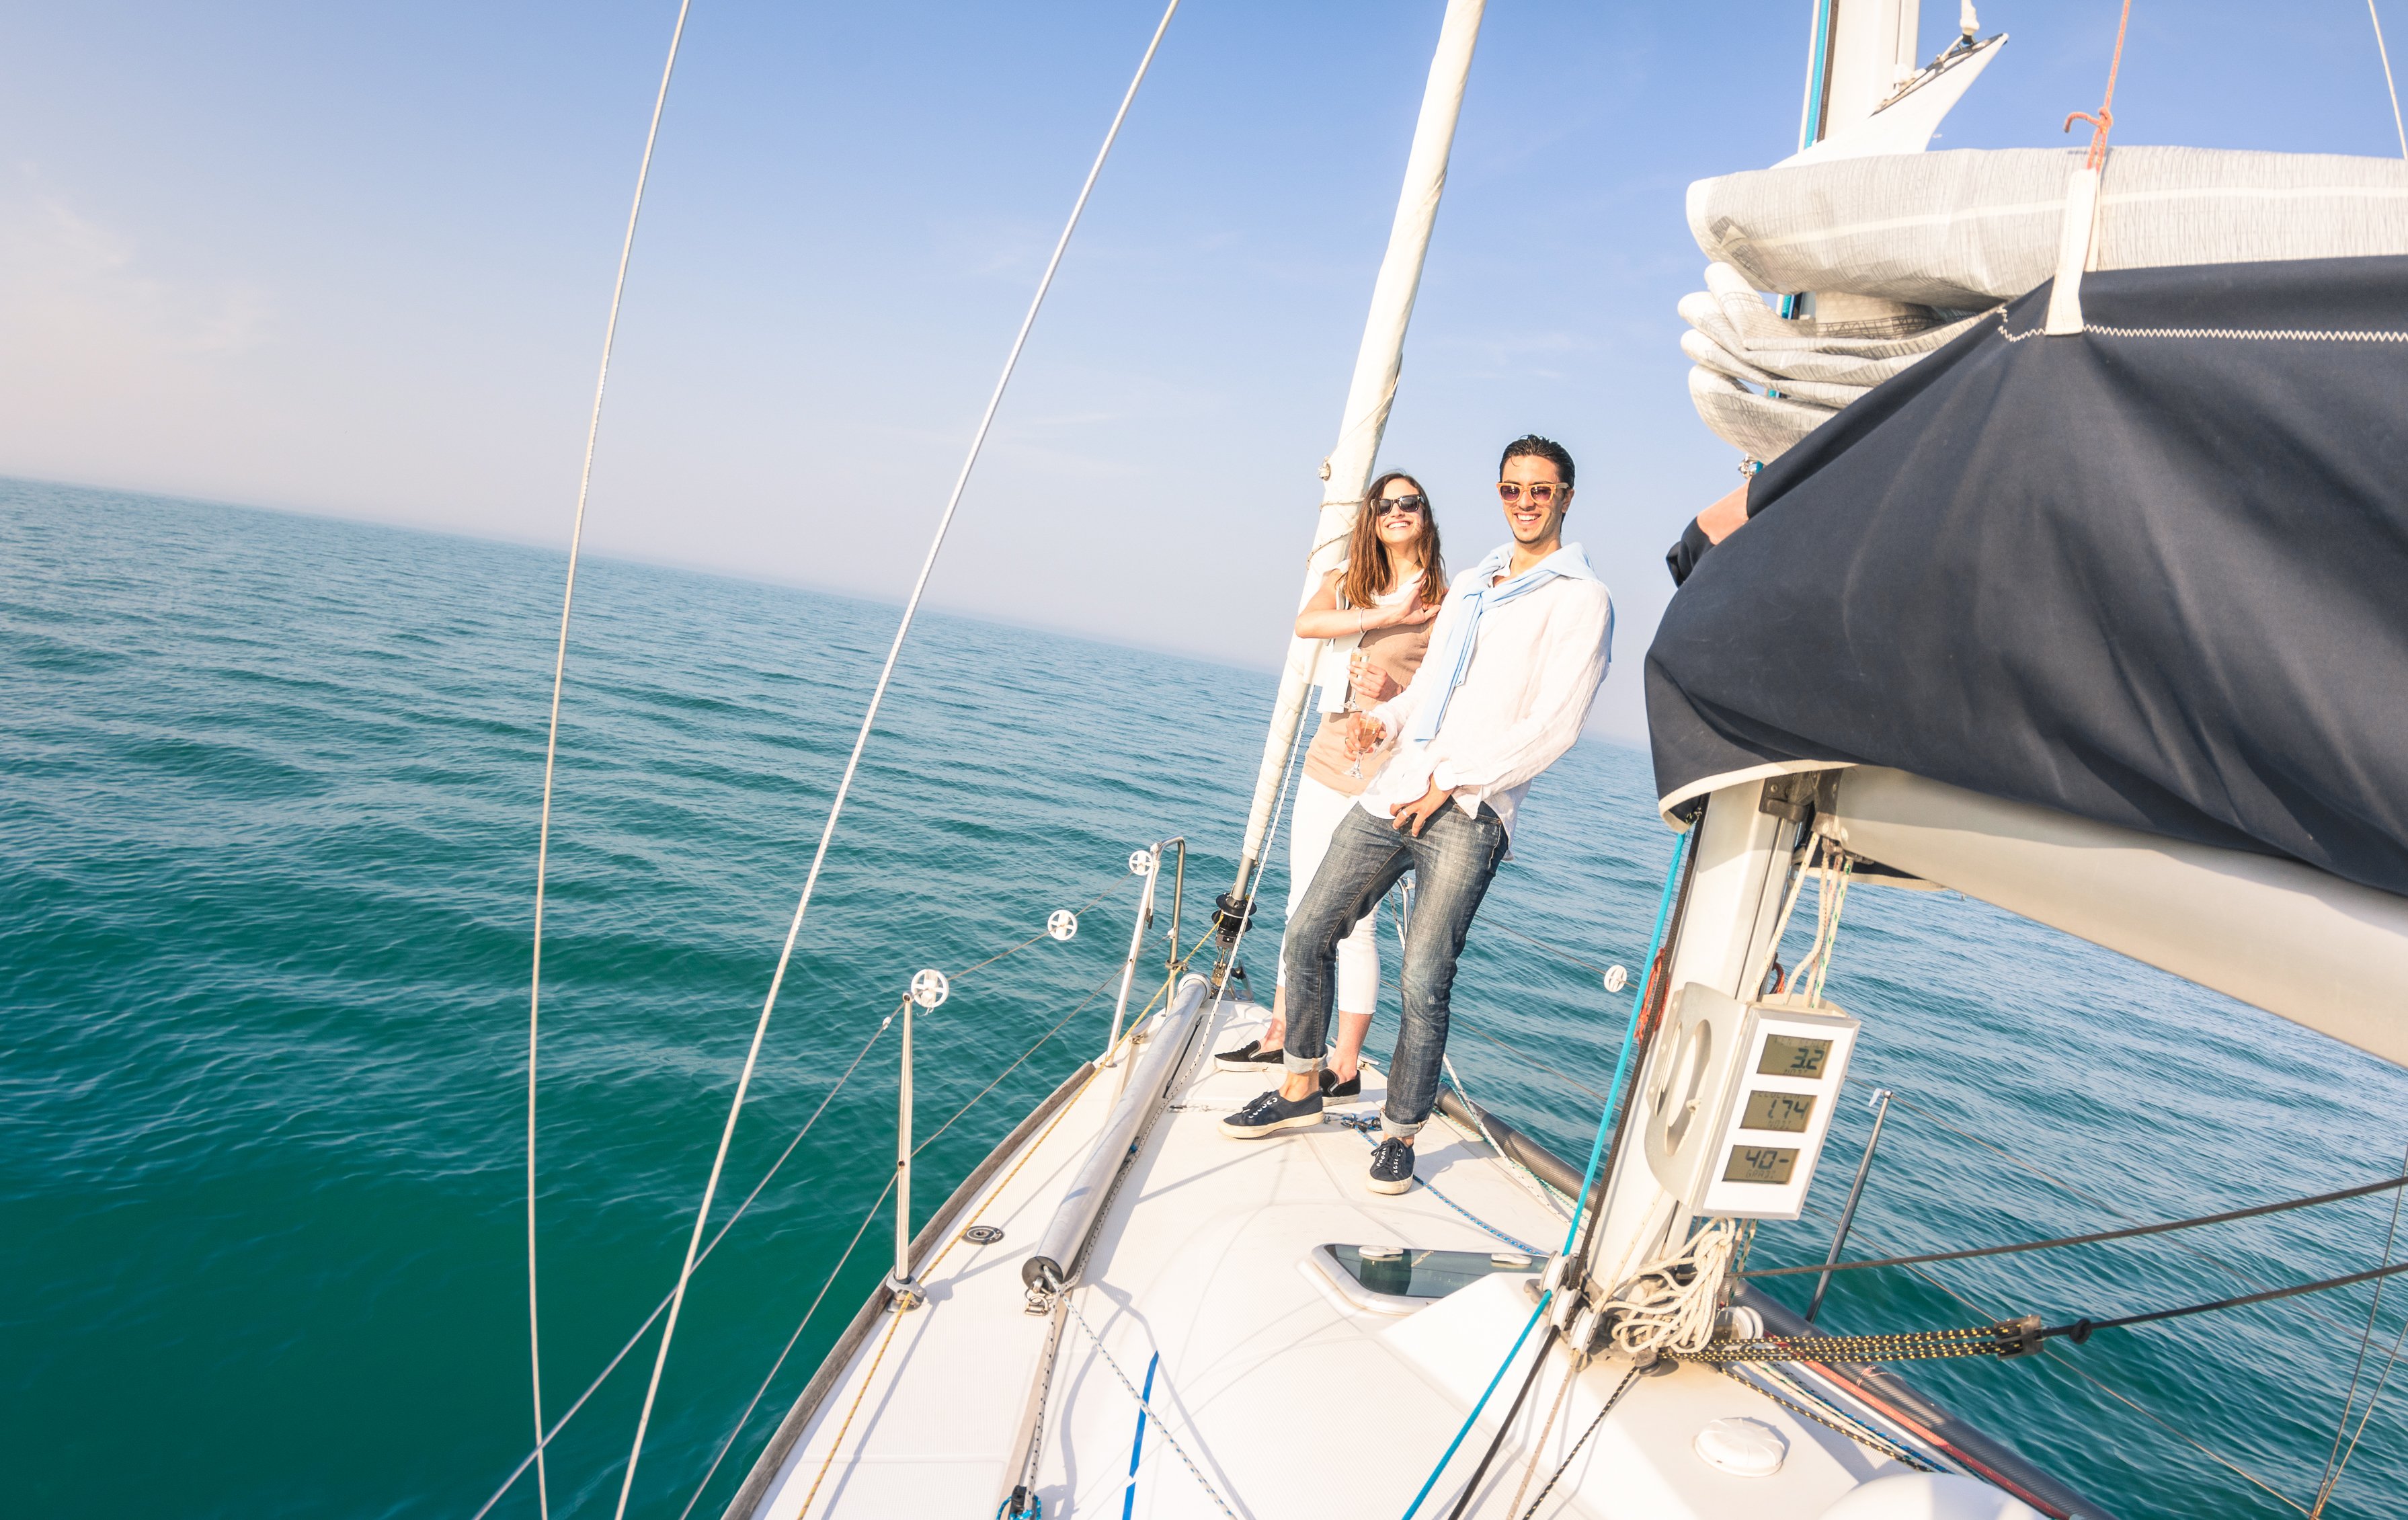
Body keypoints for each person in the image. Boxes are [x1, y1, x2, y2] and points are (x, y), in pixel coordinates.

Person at [1221, 435, 1615, 1196]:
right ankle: (1302, 1085)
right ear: (1499, 494)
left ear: (1566, 496)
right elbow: (1434, 683)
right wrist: (1387, 723)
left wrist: (1455, 781)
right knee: (1308, 929)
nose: (1525, 502)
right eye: (1512, 489)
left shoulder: (1581, 599)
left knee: (1424, 978)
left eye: (1540, 490)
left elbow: (1555, 725)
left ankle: (1400, 1132)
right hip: (1396, 785)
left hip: (1472, 810)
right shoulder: (1474, 581)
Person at [1213, 471, 1447, 1096]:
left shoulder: (1450, 601)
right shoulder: (1352, 581)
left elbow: (1445, 698)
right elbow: (1308, 623)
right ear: (1371, 516)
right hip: (1327, 754)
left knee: (1356, 921)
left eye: (1410, 503)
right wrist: (1387, 611)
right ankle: (1284, 1034)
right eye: (1385, 504)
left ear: (1426, 514)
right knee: (1300, 906)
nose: (1397, 511)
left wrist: (1395, 692)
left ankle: (1343, 1061)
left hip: (1384, 768)